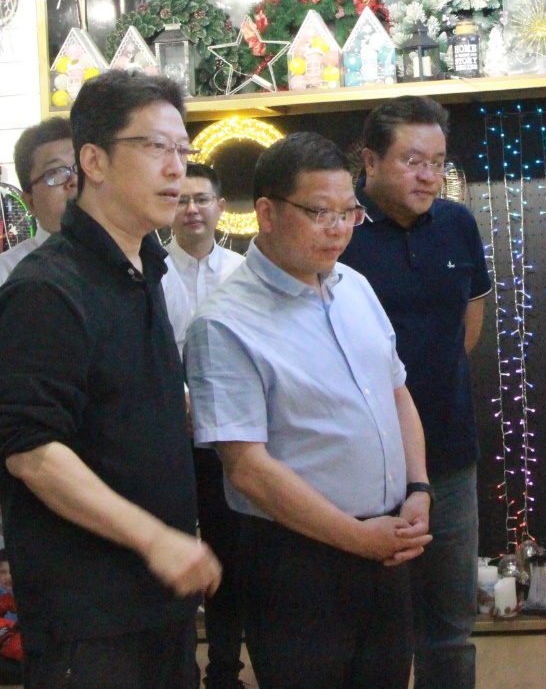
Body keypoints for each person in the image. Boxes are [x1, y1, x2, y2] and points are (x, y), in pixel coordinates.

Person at [0, 70, 221, 689]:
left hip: (160, 602)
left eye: (183, 149)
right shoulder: (45, 292)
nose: (176, 168)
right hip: (90, 618)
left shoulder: (146, 269)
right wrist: (155, 539)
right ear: (94, 161)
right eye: (156, 147)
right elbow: (34, 454)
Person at [185, 131, 433, 689]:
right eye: (320, 213)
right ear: (267, 213)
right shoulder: (224, 322)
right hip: (297, 561)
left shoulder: (355, 287)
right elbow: (247, 468)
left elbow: (396, 392)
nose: (339, 229)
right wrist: (356, 537)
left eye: (349, 213)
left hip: (388, 544)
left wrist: (418, 488)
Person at [339, 96, 491, 689]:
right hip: (358, 461)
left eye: (437, 162)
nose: (428, 176)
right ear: (370, 160)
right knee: (369, 629)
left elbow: (468, 321)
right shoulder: (339, 230)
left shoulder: (456, 224)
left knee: (450, 627)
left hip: (449, 452)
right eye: (412, 161)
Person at [0, 117, 191, 420]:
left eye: (79, 168)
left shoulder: (150, 262)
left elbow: (178, 348)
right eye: (54, 173)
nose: (72, 181)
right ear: (29, 202)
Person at [166, 162, 245, 689]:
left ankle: (224, 671)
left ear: (220, 207)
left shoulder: (245, 271)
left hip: (228, 444)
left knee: (227, 558)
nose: (192, 209)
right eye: (181, 199)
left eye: (202, 199)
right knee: (169, 556)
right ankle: (175, 670)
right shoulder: (147, 270)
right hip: (166, 440)